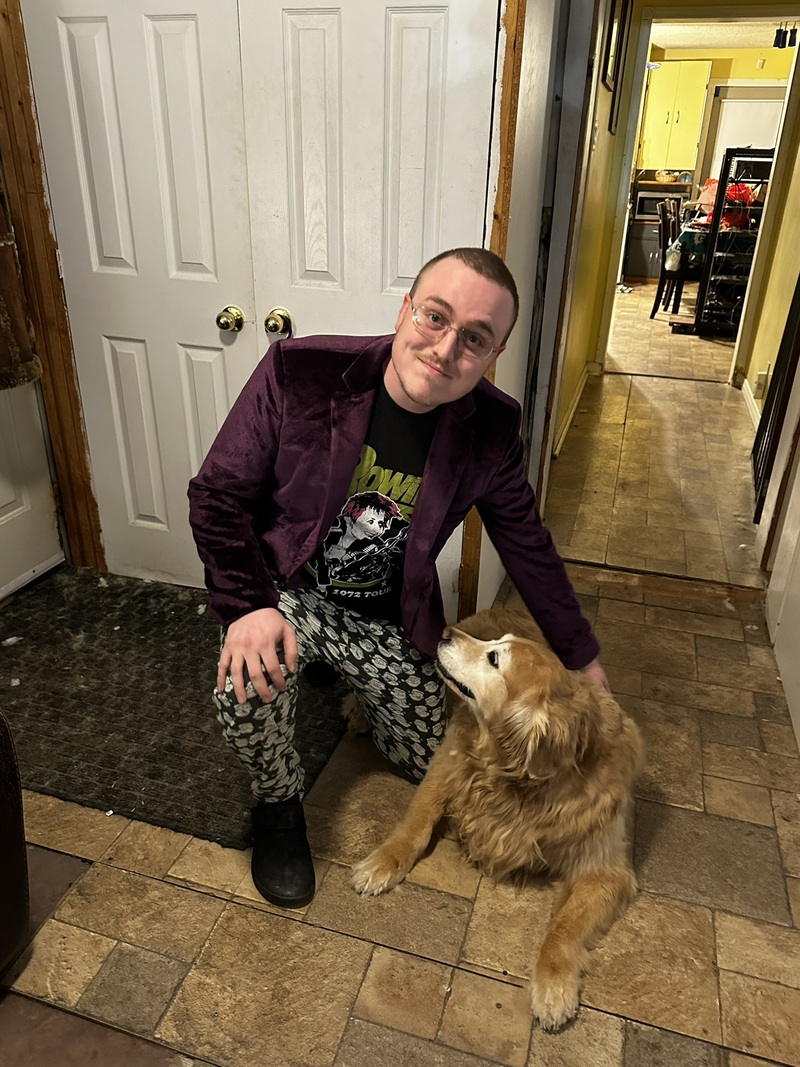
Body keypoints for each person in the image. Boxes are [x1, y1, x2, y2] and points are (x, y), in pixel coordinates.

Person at [188, 247, 607, 909]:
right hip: (286, 594)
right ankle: (277, 804)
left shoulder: (493, 428)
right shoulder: (301, 372)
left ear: (493, 354)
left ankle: (340, 678)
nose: (445, 349)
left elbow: (526, 542)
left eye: (475, 338)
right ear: (405, 308)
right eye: (435, 316)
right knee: (246, 684)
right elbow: (217, 495)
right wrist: (245, 605)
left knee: (425, 760)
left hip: (387, 616)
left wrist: (581, 656)